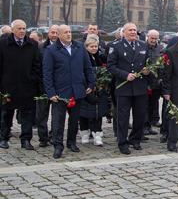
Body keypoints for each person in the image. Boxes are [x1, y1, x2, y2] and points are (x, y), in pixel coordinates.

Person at [43, 25, 95, 159]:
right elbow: (47, 73)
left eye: (70, 32)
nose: (68, 34)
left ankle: (71, 142)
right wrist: (50, 92)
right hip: (60, 93)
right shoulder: (51, 50)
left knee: (74, 120)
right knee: (58, 121)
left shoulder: (79, 47)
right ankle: (58, 146)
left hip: (77, 90)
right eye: (65, 32)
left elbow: (88, 67)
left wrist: (91, 83)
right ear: (59, 35)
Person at [107, 22, 150, 155]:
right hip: (124, 87)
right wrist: (125, 75)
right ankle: (122, 142)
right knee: (123, 118)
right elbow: (111, 66)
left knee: (140, 116)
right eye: (130, 30)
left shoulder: (143, 45)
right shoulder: (116, 46)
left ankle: (135, 139)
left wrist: (148, 70)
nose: (133, 32)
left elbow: (148, 63)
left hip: (140, 87)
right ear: (123, 32)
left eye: (134, 30)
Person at [0, 20, 43, 150]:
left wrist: (32, 79)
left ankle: (26, 140)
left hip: (27, 86)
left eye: (24, 28)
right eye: (19, 28)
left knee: (27, 115)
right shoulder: (3, 44)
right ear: (13, 30)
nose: (22, 31)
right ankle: (3, 138)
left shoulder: (32, 44)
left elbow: (37, 65)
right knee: (7, 114)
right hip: (8, 86)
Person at [78, 35, 109, 146]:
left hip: (99, 89)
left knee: (97, 113)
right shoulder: (82, 58)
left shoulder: (99, 57)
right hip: (86, 88)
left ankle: (97, 134)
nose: (94, 48)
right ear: (86, 47)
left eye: (95, 46)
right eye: (91, 46)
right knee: (84, 113)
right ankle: (85, 133)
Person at [145, 30, 162, 134]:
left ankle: (152, 123)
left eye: (155, 38)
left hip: (156, 82)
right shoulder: (142, 46)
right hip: (145, 81)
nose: (153, 40)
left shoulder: (160, 48)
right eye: (152, 38)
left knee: (153, 104)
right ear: (148, 37)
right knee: (144, 105)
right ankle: (145, 126)